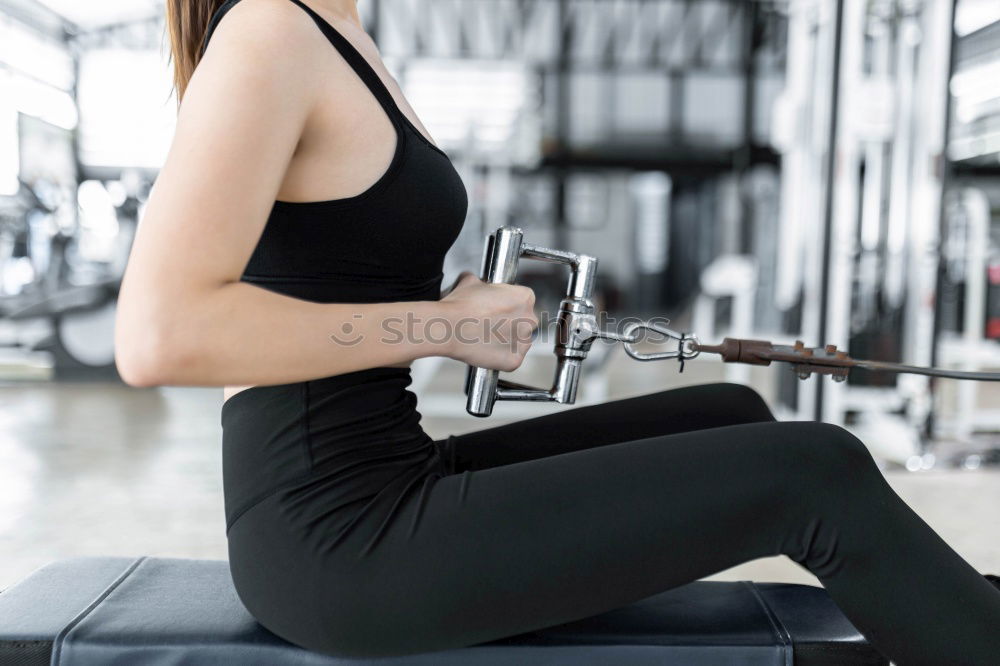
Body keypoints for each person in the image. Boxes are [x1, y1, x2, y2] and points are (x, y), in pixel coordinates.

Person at [114, 0, 1000, 663]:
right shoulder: (270, 29)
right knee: (818, 472)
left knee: (731, 412)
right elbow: (161, 333)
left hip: (390, 469)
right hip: (336, 541)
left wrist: (451, 318)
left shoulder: (336, 28)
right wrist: (442, 326)